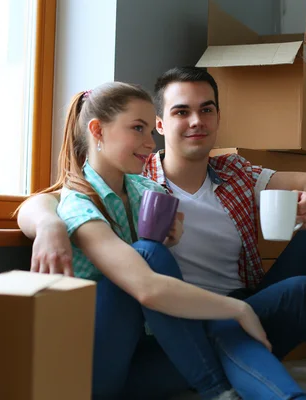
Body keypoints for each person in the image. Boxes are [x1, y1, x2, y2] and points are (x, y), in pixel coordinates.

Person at [17, 69, 306, 400]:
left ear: (218, 116)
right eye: (181, 112)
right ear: (161, 124)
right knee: (298, 292)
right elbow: (56, 198)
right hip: (186, 318)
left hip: (246, 299)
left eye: (207, 109)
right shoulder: (139, 172)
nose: (196, 121)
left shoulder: (235, 172)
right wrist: (49, 223)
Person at [26, 81, 279, 400]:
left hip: (137, 351)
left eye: (151, 132)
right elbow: (146, 285)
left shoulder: (144, 190)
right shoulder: (78, 203)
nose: (150, 144)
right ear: (98, 130)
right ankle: (217, 390)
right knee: (141, 259)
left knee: (226, 345)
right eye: (138, 129)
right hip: (87, 364)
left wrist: (171, 238)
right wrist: (238, 308)